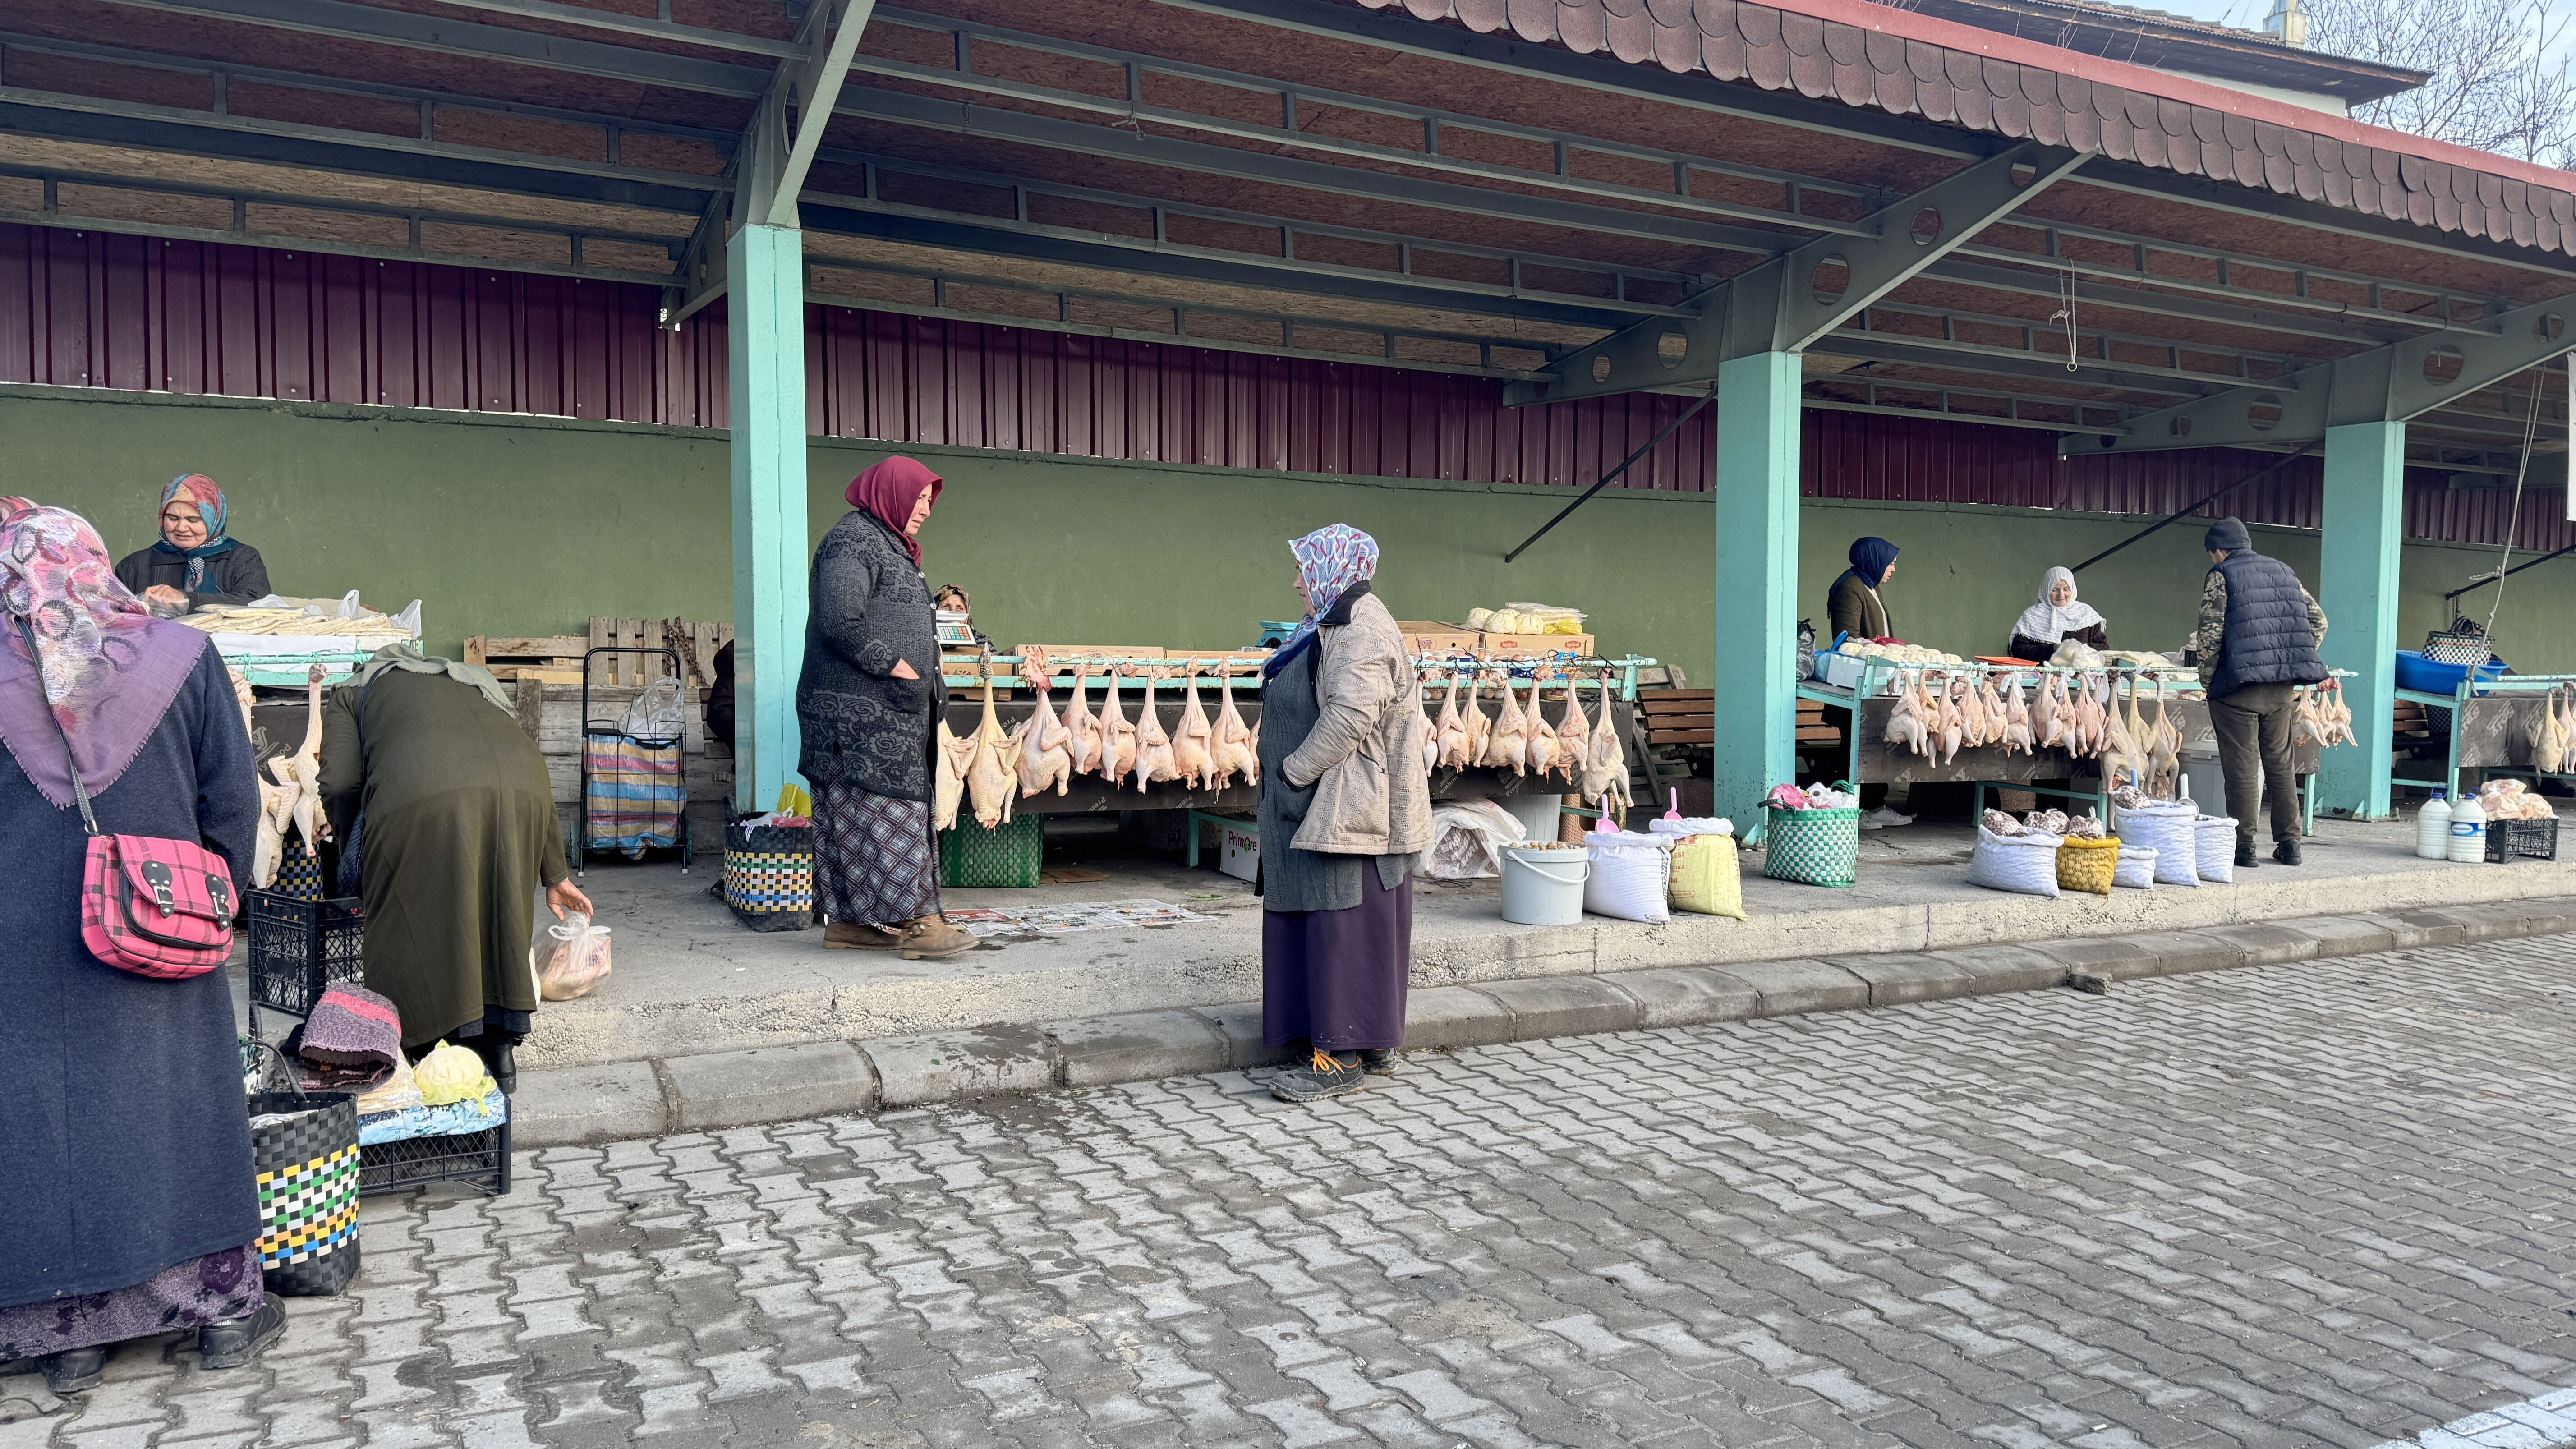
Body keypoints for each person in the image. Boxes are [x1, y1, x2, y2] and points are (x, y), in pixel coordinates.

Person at [0, 502, 286, 1395]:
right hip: (159, 918)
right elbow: (232, 802)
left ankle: (70, 1336)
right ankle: (219, 1314)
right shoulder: (184, 654)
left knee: (45, 1122)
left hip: (23, 942)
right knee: (182, 1108)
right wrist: (214, 898)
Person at [317, 642, 591, 1090]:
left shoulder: (353, 692)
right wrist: (554, 872)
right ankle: (499, 1050)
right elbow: (518, 762)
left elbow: (339, 783)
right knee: (498, 909)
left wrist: (358, 853)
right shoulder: (471, 681)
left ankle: (427, 1050)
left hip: (422, 795)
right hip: (525, 789)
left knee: (403, 926)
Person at [1257, 524, 1432, 1104]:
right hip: (1330, 805)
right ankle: (1362, 1040)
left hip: (1351, 805)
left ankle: (1342, 1056)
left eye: (1303, 571)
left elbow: (1351, 714)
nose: (1296, 584)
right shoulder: (1334, 622)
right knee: (1328, 921)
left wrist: (1294, 772)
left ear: (1331, 570)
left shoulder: (1361, 626)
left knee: (1345, 924)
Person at [798, 455, 975, 961]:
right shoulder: (852, 543)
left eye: (928, 501)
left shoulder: (889, 545)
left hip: (886, 713)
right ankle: (922, 923)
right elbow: (839, 619)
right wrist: (897, 665)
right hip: (857, 717)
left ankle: (848, 925)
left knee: (857, 818)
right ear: (890, 493)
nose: (925, 510)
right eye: (918, 499)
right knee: (893, 812)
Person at [2194, 516, 2328, 869]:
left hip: (2237, 690)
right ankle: (2291, 844)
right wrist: (2287, 660)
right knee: (2281, 765)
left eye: (2212, 554)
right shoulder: (2284, 571)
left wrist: (2208, 680)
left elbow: (2210, 633)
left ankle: (2245, 847)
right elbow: (2319, 621)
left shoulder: (2222, 574)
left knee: (2242, 767)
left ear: (2218, 551)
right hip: (2280, 690)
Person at [111, 473, 272, 615]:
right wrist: (138, 605)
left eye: (193, 520)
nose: (182, 528)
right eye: (173, 518)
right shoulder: (135, 566)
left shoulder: (241, 558)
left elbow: (260, 604)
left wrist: (185, 601)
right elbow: (109, 615)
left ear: (214, 520)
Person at [2006, 566, 2110, 662]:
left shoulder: (2086, 614)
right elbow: (2018, 649)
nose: (2061, 595)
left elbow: (2103, 647)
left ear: (2072, 589)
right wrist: (2052, 649)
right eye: (2055, 590)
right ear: (2046, 590)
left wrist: (2077, 650)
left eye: (2066, 589)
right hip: (2043, 674)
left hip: (2083, 673)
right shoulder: (2032, 616)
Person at [1827, 536, 1899, 641]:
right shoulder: (1850, 588)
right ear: (1875, 561)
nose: (1894, 570)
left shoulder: (1874, 588)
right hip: (1861, 653)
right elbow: (1848, 637)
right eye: (1891, 564)